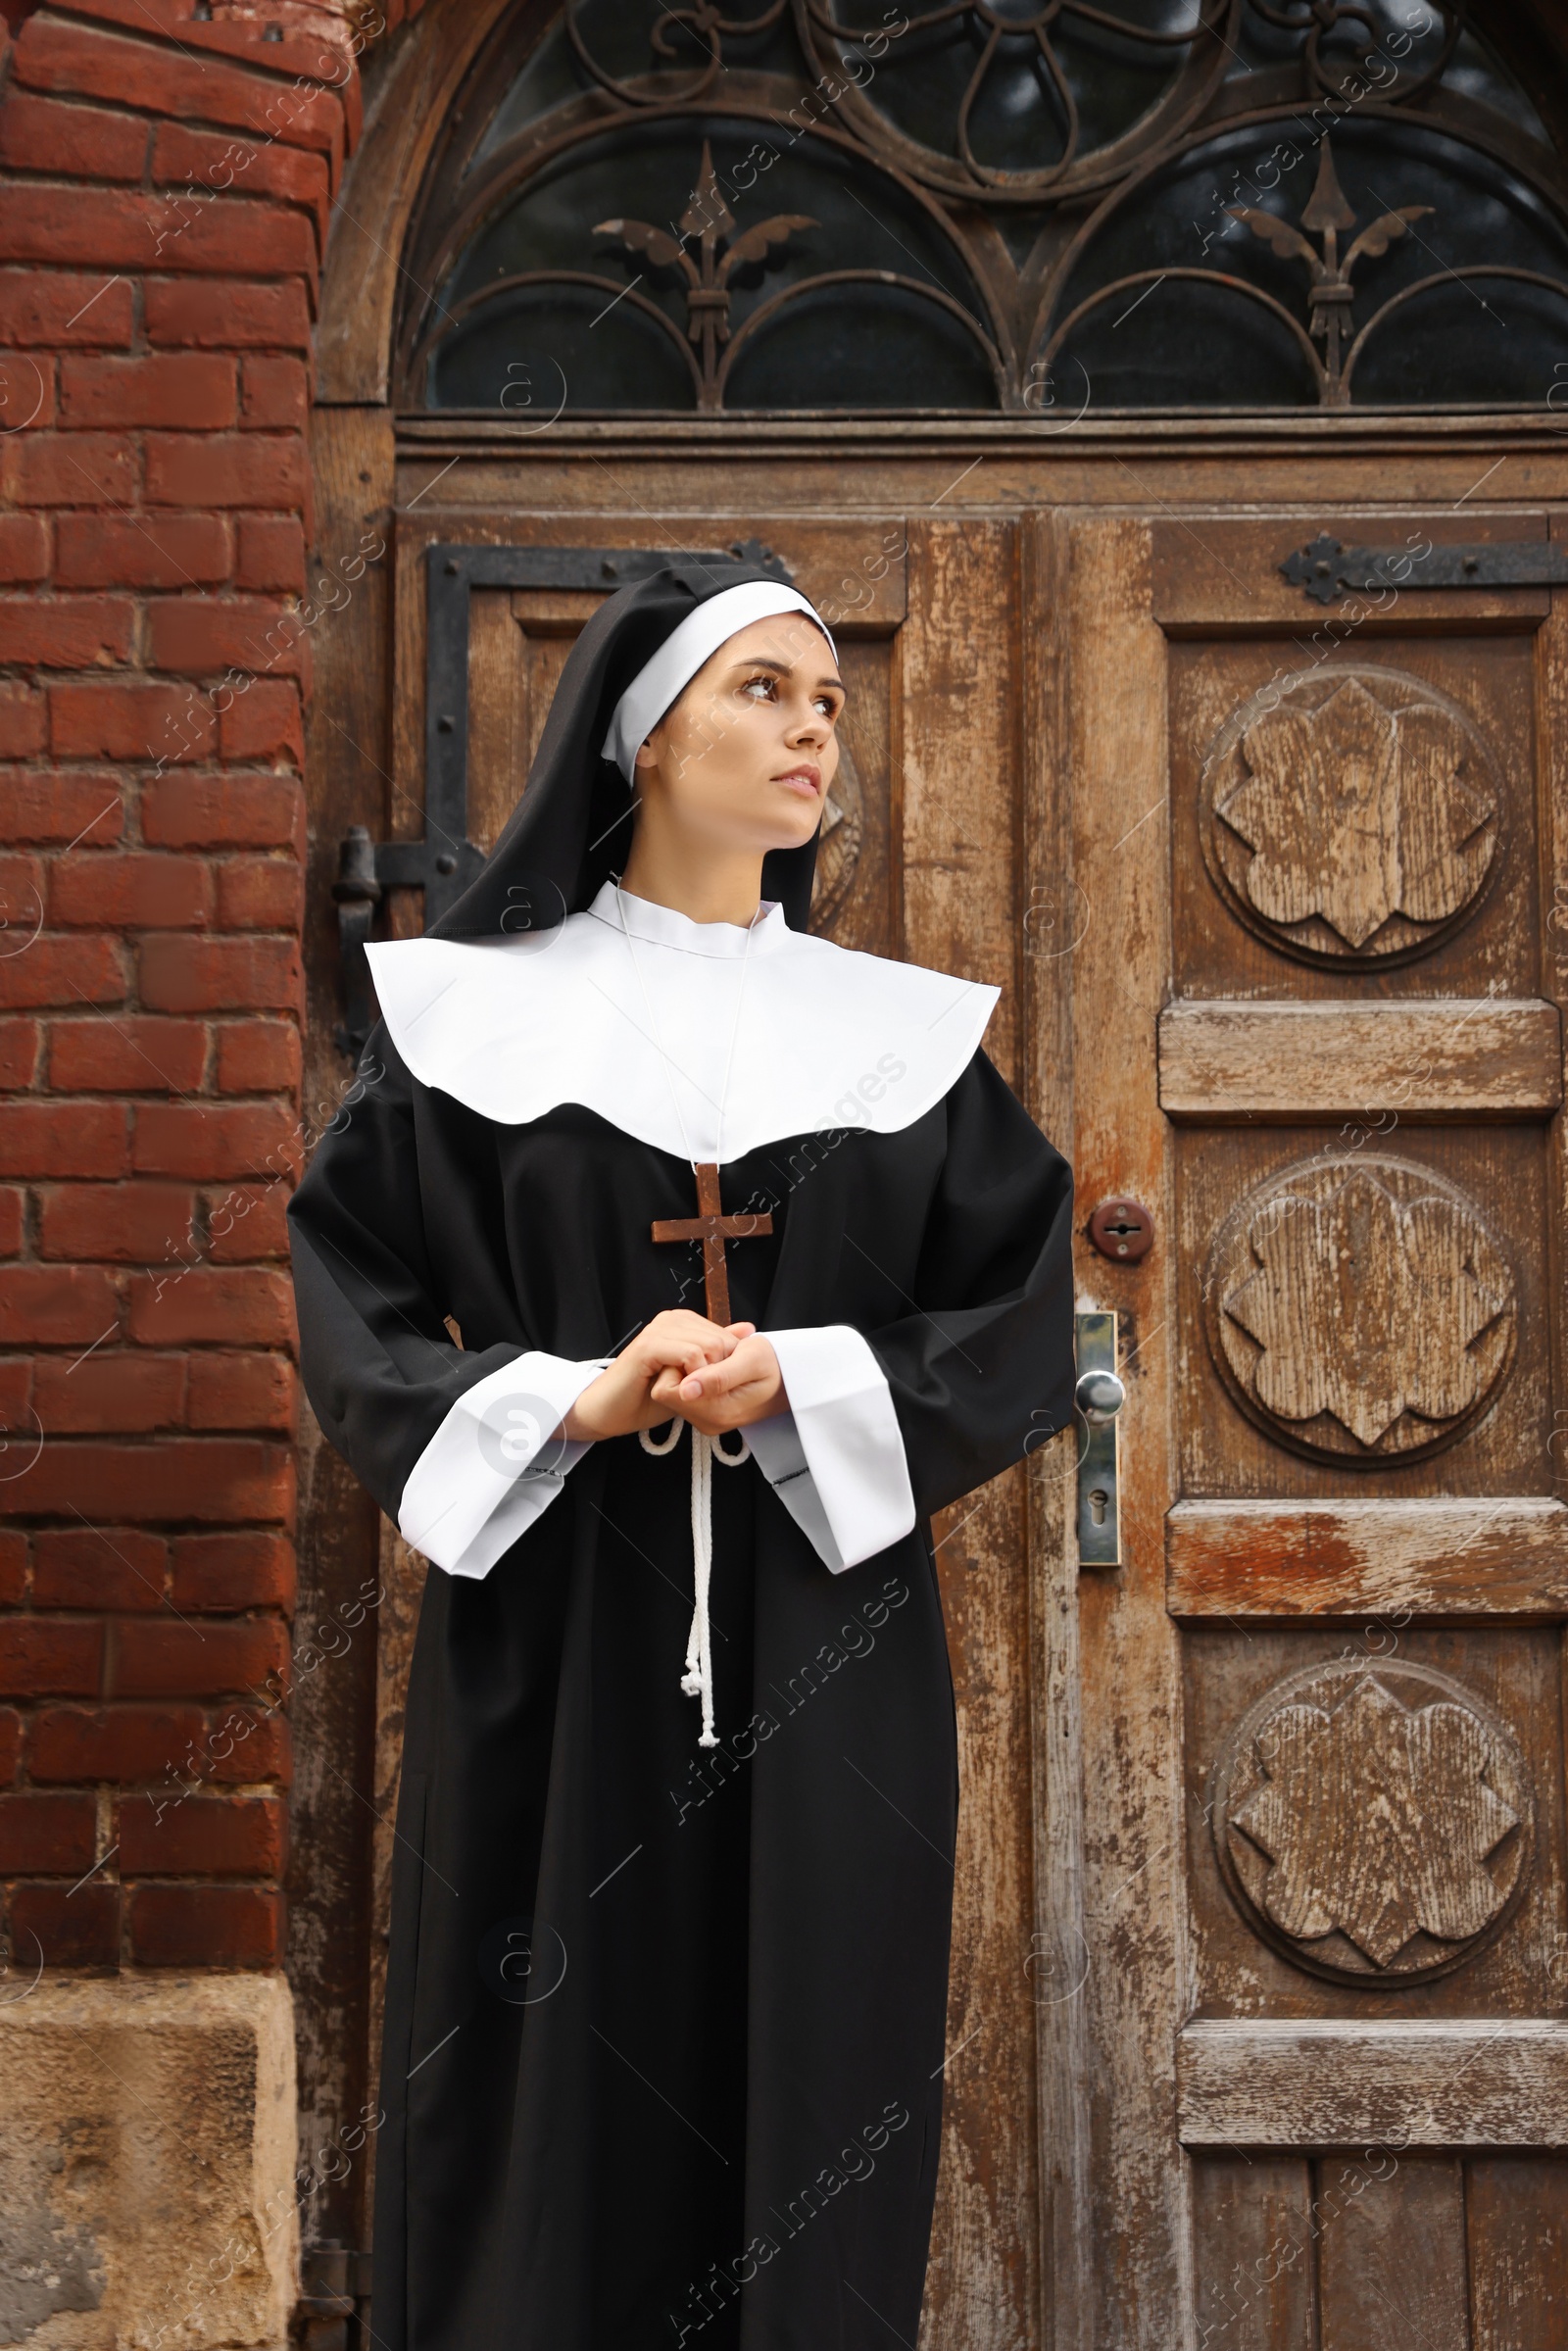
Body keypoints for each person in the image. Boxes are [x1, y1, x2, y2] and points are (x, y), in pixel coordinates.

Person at [287, 558, 1075, 2350]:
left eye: (829, 703)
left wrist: (796, 1373)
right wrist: (570, 1395)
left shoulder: (902, 1039)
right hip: (557, 1646)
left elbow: (1021, 1327)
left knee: (818, 2076)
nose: (814, 732)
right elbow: (350, 1296)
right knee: (544, 2094)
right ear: (644, 741)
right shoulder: (472, 1023)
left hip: (832, 1653)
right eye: (765, 694)